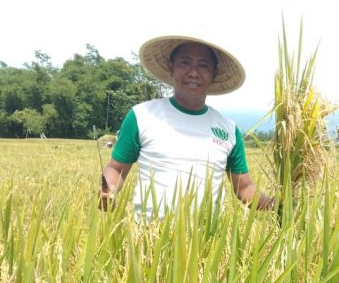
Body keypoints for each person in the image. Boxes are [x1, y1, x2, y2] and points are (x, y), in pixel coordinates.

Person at [99, 34, 274, 219]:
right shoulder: (142, 116)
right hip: (148, 239)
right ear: (171, 67)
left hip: (208, 243)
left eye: (203, 65)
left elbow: (244, 188)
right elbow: (116, 168)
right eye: (185, 62)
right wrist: (107, 188)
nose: (193, 72)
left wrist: (276, 205)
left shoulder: (228, 130)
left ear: (214, 74)